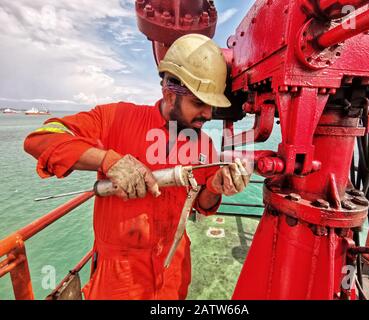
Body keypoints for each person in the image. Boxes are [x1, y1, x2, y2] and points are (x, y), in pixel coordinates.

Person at [24, 34, 251, 299]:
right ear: (168, 93)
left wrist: (215, 187)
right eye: (199, 103)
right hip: (119, 277)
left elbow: (202, 204)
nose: (208, 115)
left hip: (174, 269)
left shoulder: (203, 144)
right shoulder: (117, 118)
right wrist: (108, 160)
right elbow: (41, 139)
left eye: (211, 105)